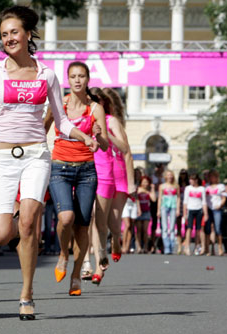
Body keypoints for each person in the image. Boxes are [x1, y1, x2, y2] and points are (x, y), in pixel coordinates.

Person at [0, 5, 98, 320]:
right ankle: (20, 225)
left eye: (14, 32)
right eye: (3, 35)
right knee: (0, 234)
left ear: (27, 35)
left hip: (36, 154)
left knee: (27, 224)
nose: (8, 38)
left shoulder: (46, 74)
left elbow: (62, 121)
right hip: (1, 158)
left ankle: (27, 294)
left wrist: (82, 136)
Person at [43, 63, 108, 295]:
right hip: (60, 166)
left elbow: (104, 146)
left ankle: (76, 275)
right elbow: (42, 129)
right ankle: (62, 254)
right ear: (68, 80)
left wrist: (99, 135)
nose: (77, 80)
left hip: (86, 171)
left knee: (82, 224)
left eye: (81, 76)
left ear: (88, 79)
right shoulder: (59, 104)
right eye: (73, 76)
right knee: (66, 217)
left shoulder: (95, 108)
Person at [87, 87, 133, 285]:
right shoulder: (85, 121)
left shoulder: (111, 121)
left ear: (103, 102)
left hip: (118, 174)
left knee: (113, 224)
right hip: (98, 174)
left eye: (96, 100)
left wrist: (105, 135)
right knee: (98, 221)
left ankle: (116, 238)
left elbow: (125, 149)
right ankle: (99, 267)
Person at [183, 173, 208, 256]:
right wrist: (184, 213)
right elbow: (185, 202)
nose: (191, 181)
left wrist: (206, 213)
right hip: (190, 209)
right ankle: (187, 247)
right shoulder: (188, 188)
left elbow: (204, 202)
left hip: (199, 210)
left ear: (196, 180)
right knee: (189, 229)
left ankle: (198, 246)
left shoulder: (201, 189)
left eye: (193, 179)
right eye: (190, 179)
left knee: (199, 229)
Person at [157, 170, 180, 255]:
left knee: (172, 227)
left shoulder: (176, 186)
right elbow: (159, 198)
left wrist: (178, 209)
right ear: (165, 176)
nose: (170, 176)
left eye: (171, 175)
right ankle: (166, 247)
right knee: (165, 227)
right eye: (168, 175)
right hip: (164, 206)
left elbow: (178, 198)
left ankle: (171, 246)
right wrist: (158, 210)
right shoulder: (162, 186)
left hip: (173, 206)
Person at [204, 169, 226, 256]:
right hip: (208, 209)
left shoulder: (221, 186)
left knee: (217, 229)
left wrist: (220, 205)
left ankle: (220, 247)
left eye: (214, 176)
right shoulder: (206, 186)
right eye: (211, 176)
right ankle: (209, 249)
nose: (212, 178)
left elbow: (224, 198)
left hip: (217, 209)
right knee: (208, 229)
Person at [121, 167, 142, 254]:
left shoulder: (136, 183)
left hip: (133, 204)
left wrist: (139, 208)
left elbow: (136, 196)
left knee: (132, 226)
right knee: (127, 225)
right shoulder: (125, 180)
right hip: (125, 203)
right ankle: (123, 246)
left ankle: (128, 246)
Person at [136, 176, 156, 254]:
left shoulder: (149, 191)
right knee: (138, 230)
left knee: (145, 230)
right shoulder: (138, 189)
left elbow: (154, 199)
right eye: (144, 182)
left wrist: (152, 189)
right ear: (141, 182)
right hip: (139, 211)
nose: (145, 183)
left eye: (147, 182)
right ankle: (139, 247)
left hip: (146, 211)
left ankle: (145, 247)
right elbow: (136, 196)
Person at [175, 169, 189, 254]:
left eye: (184, 174)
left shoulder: (189, 185)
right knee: (179, 226)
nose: (183, 176)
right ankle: (179, 246)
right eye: (181, 174)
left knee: (188, 226)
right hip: (179, 205)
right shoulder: (177, 185)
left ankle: (186, 244)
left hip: (187, 205)